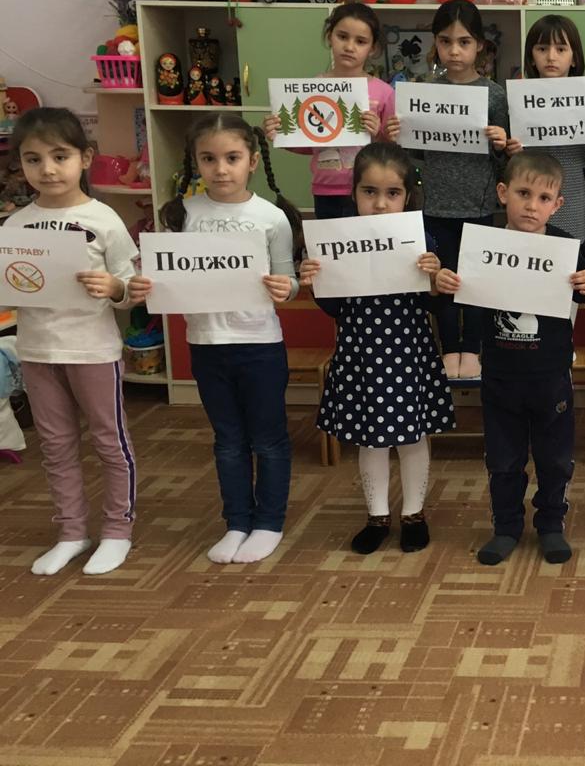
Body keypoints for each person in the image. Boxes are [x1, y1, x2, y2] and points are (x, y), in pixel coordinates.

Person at [129, 113, 302, 565]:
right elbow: (166, 274)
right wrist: (147, 284)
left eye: (232, 158)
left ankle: (269, 523)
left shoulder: (271, 217)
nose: (220, 169)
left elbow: (289, 280)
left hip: (260, 344)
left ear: (252, 161)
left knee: (268, 439)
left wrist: (285, 288)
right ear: (195, 162)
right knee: (227, 440)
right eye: (208, 159)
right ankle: (237, 522)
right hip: (206, 344)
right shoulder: (182, 214)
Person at [436, 151, 585, 566]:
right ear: (502, 192)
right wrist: (444, 281)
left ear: (557, 204)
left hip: (551, 375)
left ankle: (551, 525)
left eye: (543, 198)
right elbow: (456, 291)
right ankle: (506, 527)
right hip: (500, 375)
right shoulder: (483, 244)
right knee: (503, 459)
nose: (532, 206)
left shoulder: (564, 246)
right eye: (523, 194)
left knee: (555, 459)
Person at [300, 142, 454, 555]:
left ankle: (414, 514)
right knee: (371, 440)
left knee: (412, 438)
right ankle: (377, 516)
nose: (381, 203)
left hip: (408, 354)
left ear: (407, 196)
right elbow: (335, 309)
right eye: (370, 192)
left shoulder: (422, 240)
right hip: (360, 355)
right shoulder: (338, 240)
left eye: (392, 193)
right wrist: (316, 283)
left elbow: (436, 306)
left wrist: (434, 279)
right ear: (354, 193)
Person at [9, 108, 138, 576]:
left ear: (85, 158)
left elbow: (132, 287)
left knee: (110, 441)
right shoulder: (15, 225)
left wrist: (115, 288)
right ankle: (71, 532)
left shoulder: (104, 219)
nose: (47, 169)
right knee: (55, 444)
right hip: (37, 349)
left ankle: (118, 530)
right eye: (33, 159)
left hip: (92, 350)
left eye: (59, 156)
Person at [418, 0, 511, 380]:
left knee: (473, 281)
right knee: (441, 280)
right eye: (445, 41)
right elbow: (415, 155)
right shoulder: (425, 91)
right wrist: (399, 135)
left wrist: (502, 143)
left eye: (464, 42)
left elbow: (507, 164)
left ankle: (471, 347)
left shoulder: (495, 95)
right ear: (435, 43)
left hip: (478, 206)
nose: (454, 51)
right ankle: (450, 347)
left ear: (480, 46)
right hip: (436, 205)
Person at [262, 2, 399, 219]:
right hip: (325, 189)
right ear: (329, 37)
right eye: (342, 36)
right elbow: (308, 143)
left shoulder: (384, 93)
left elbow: (393, 148)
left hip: (369, 189)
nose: (350, 47)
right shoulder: (313, 88)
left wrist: (378, 133)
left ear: (372, 48)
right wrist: (280, 133)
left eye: (360, 41)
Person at [503, 14, 585, 240]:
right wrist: (510, 149)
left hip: (573, 191)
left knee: (571, 250)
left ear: (574, 58)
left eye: (561, 49)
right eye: (542, 49)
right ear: (531, 57)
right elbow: (508, 149)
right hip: (530, 192)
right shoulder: (519, 98)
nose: (551, 57)